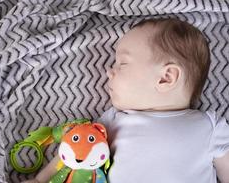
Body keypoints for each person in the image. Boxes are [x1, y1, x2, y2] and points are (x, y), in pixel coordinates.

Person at [23, 18, 229, 183]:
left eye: (122, 64)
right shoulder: (113, 121)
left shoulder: (210, 127)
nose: (108, 71)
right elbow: (76, 151)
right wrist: (41, 179)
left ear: (166, 78)